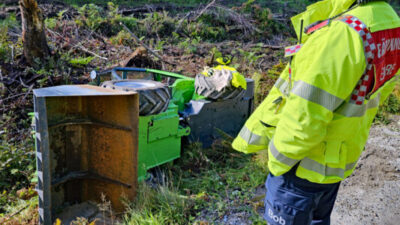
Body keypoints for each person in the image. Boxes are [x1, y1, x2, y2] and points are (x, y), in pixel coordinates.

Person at [231, 0, 400, 224]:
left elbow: (306, 113)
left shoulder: (341, 34)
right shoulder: (387, 21)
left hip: (303, 164)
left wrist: (278, 160)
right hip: (337, 157)